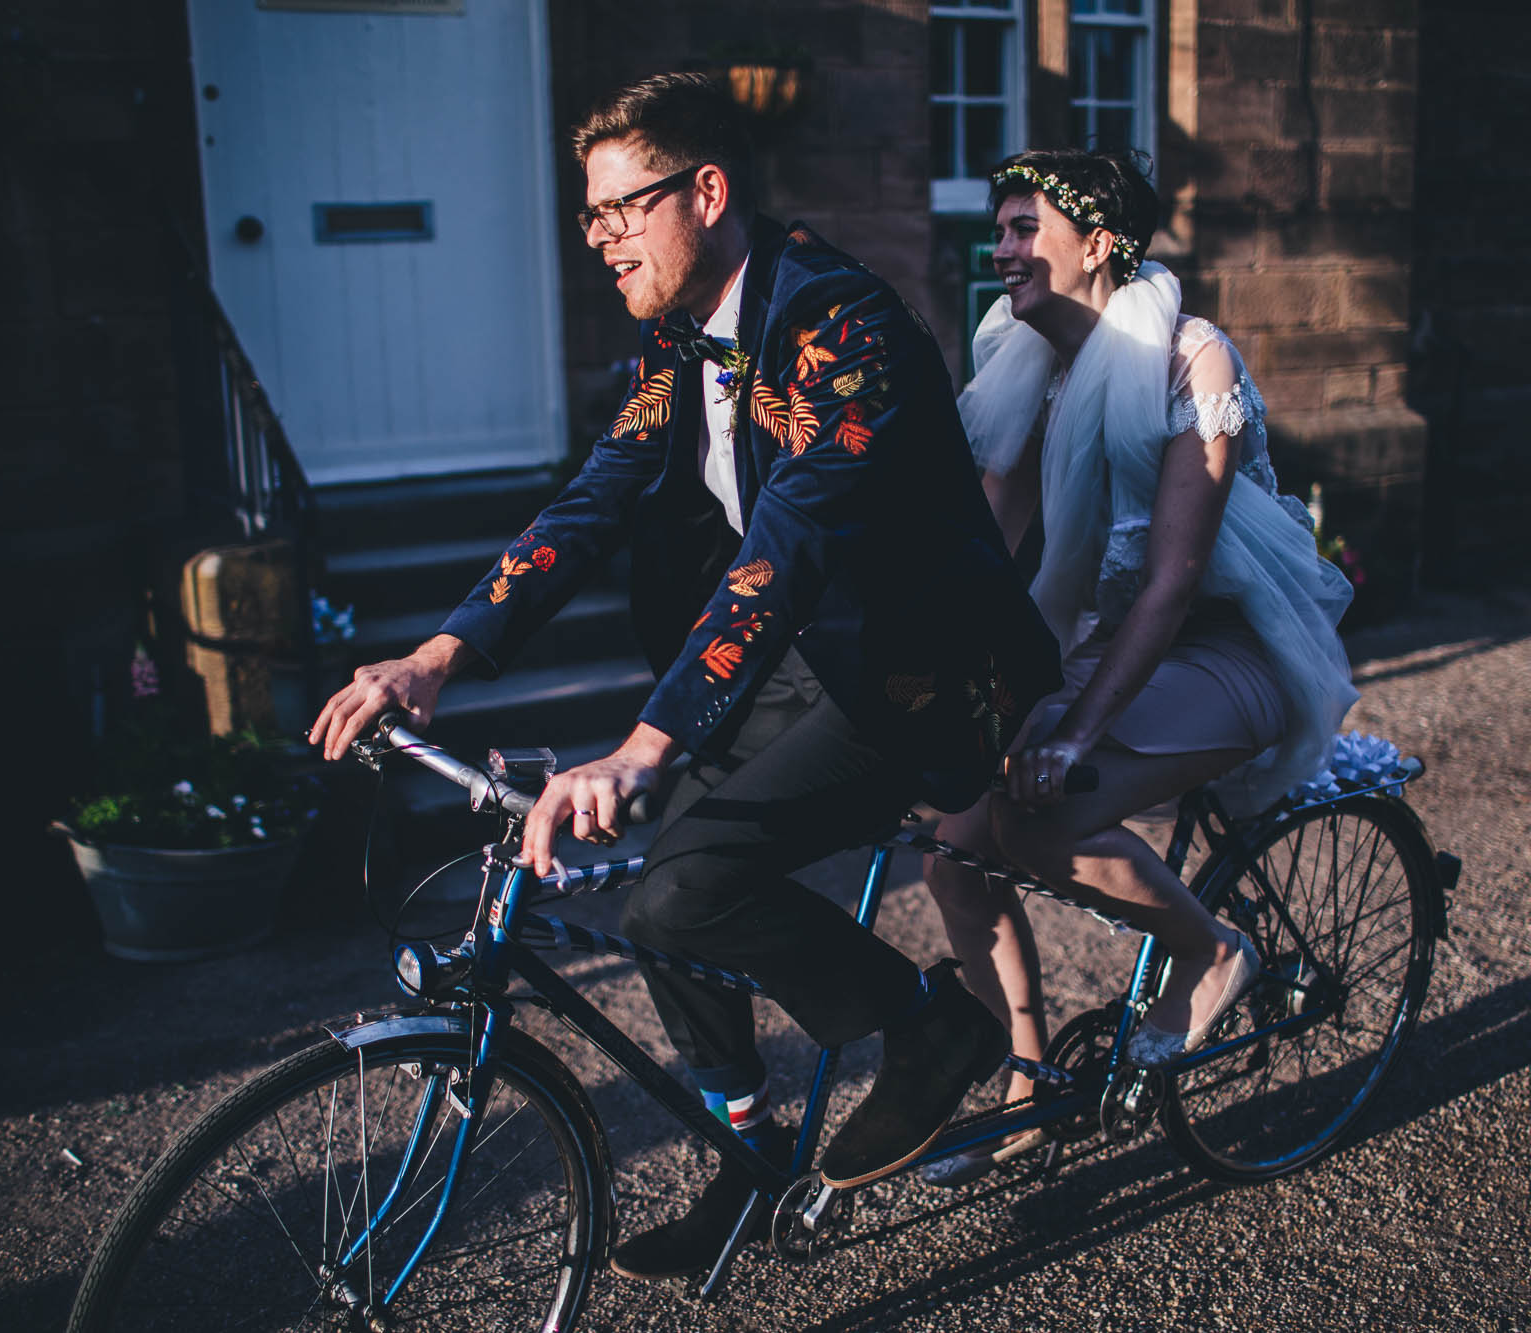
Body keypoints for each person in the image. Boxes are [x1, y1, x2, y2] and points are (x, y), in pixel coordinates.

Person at [308, 73, 1061, 1275]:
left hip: (921, 675)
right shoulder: (680, 341)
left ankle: (932, 1032)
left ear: (705, 193)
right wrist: (438, 656)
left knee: (684, 883)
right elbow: (594, 496)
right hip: (804, 658)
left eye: (621, 210)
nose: (601, 239)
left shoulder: (840, 326)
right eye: (588, 216)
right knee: (664, 891)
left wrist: (646, 742)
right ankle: (748, 1154)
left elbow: (786, 548)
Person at [918, 148, 1358, 1184]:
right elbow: (984, 554)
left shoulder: (1189, 357)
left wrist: (1067, 730)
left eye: (1025, 228)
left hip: (1224, 650)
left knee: (1039, 809)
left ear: (1097, 244)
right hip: (1103, 647)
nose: (1002, 248)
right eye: (1000, 227)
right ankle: (1025, 1088)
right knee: (952, 843)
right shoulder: (1033, 365)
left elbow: (1169, 581)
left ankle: (1209, 951)